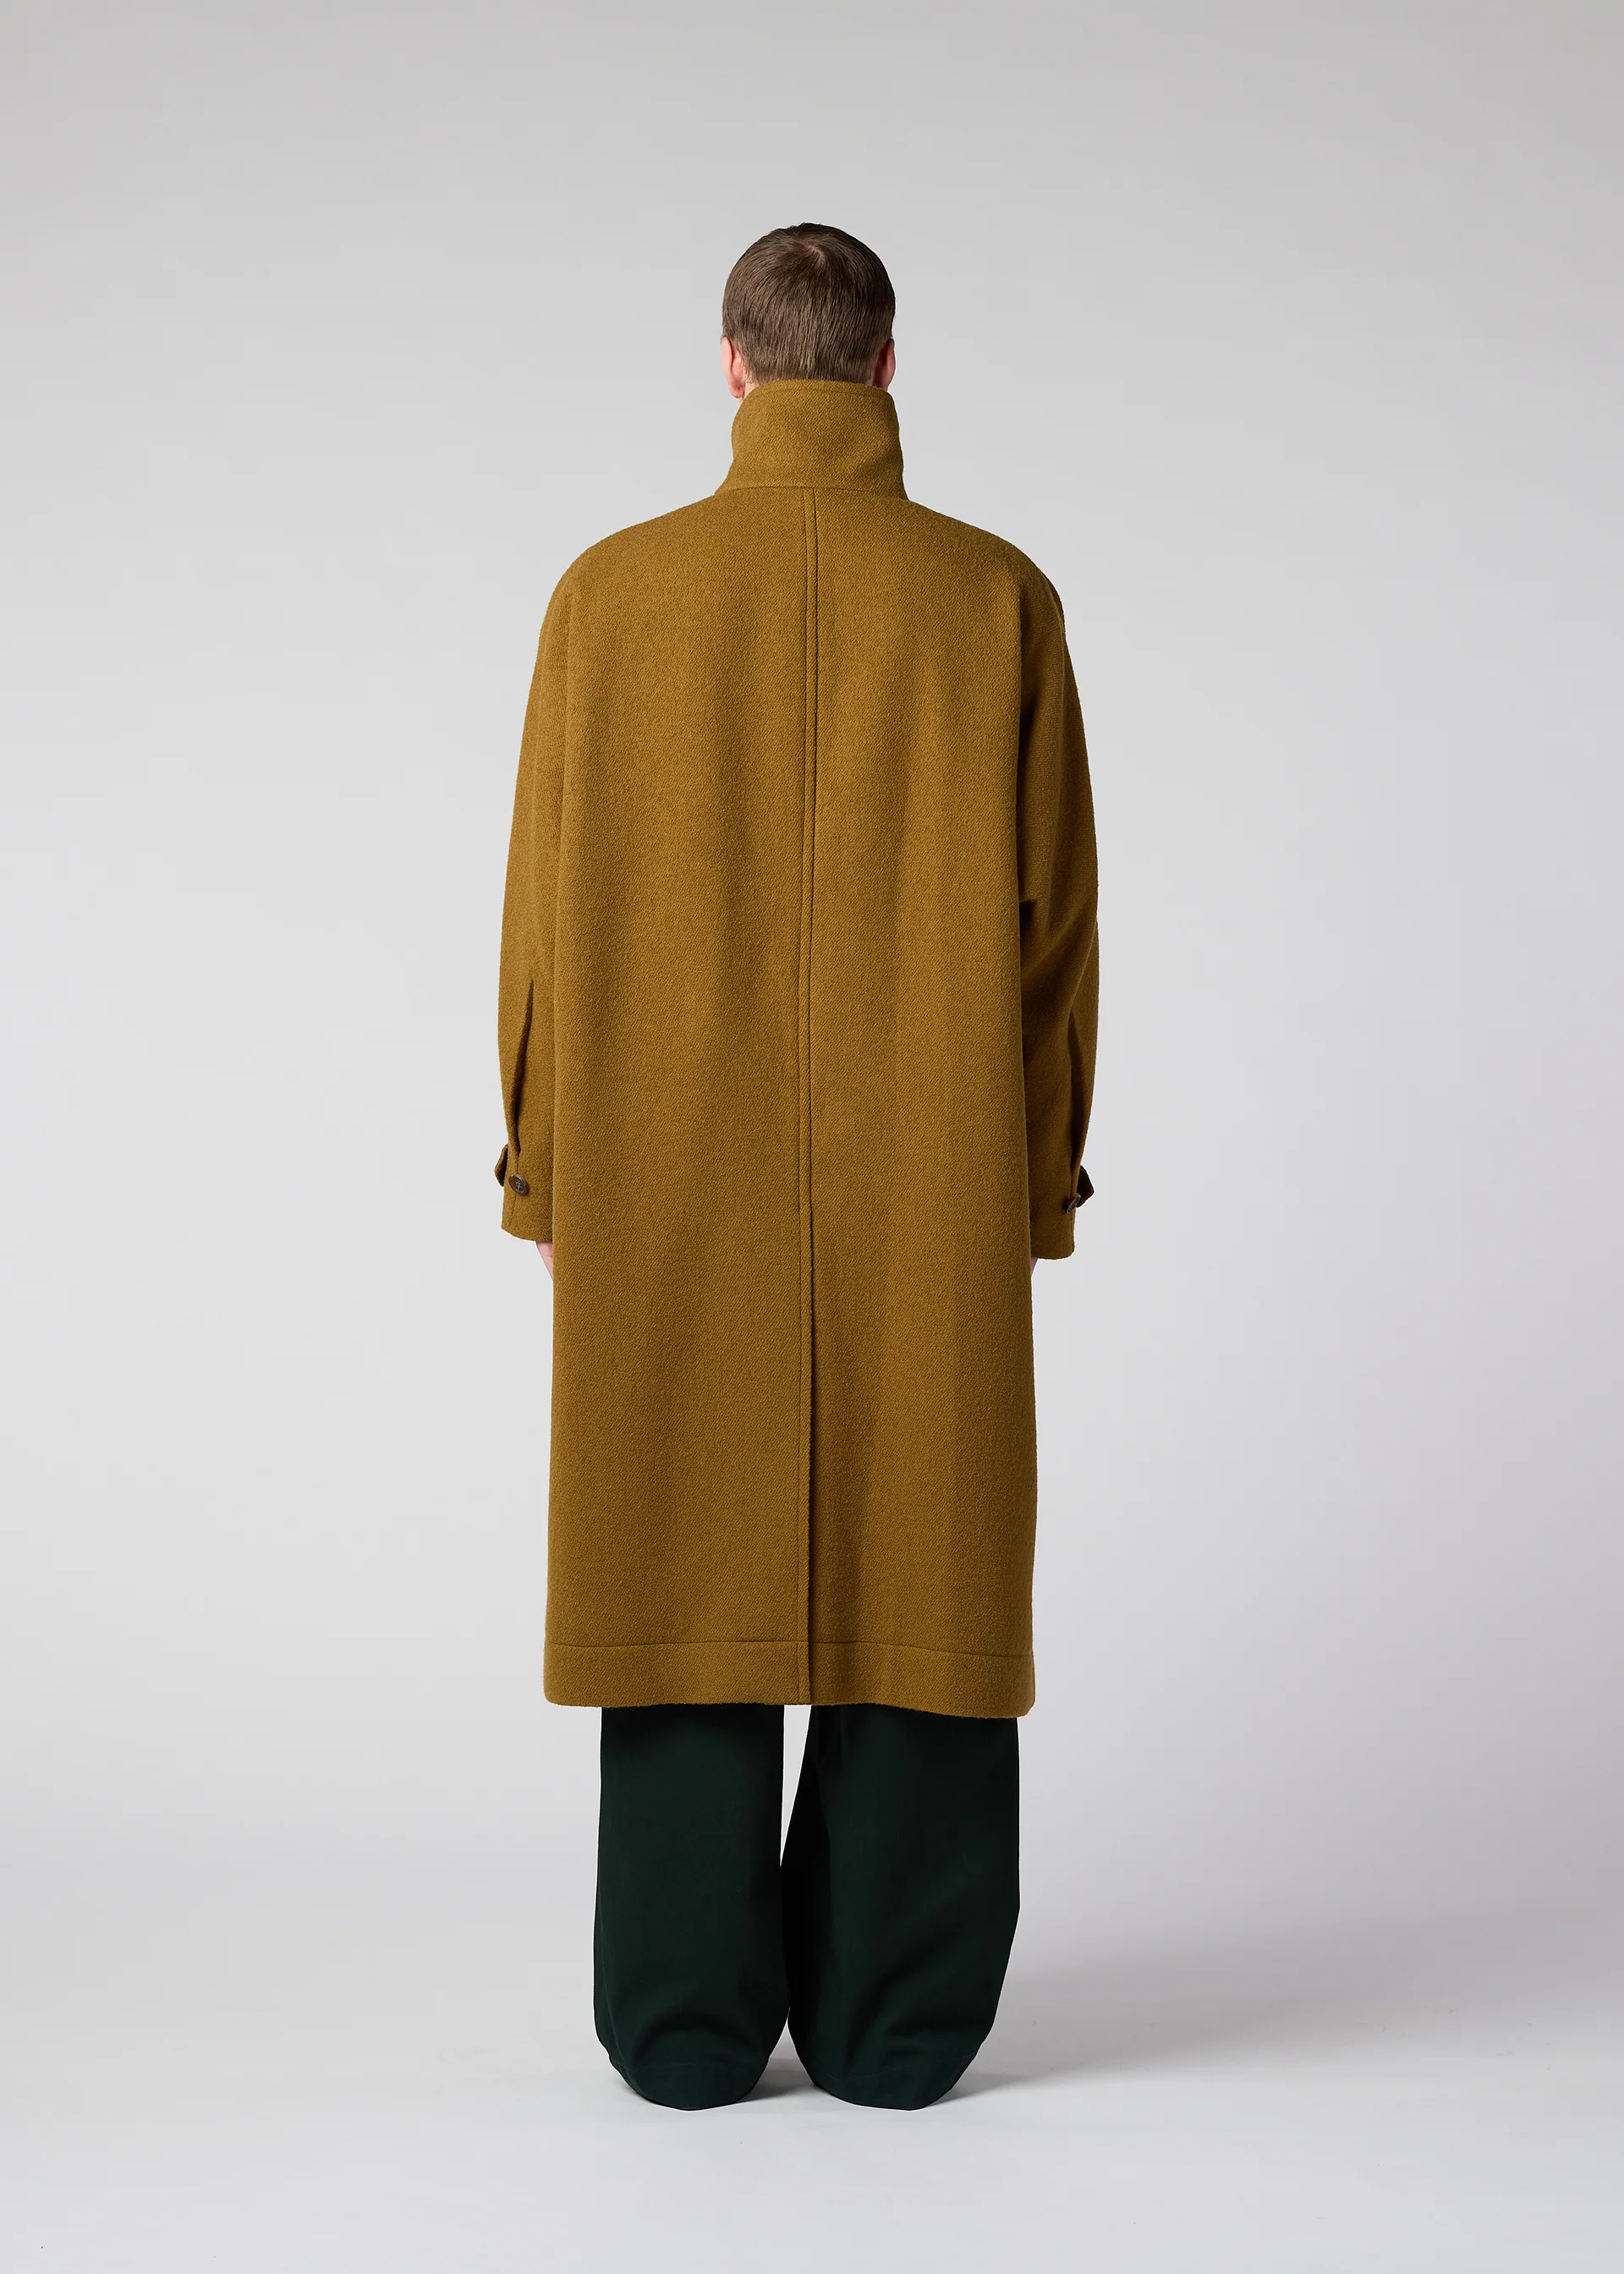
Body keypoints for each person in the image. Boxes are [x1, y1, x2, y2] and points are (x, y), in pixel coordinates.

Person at [495, 223, 1099, 2112]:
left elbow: (540, 922)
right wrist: (1036, 1176)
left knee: (680, 1553)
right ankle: (898, 2027)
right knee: (926, 1556)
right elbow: (1057, 932)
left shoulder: (611, 596)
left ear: (736, 365)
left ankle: (682, 2027)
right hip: (936, 1169)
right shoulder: (997, 599)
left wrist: (545, 1171)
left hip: (667, 1170)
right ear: (888, 367)